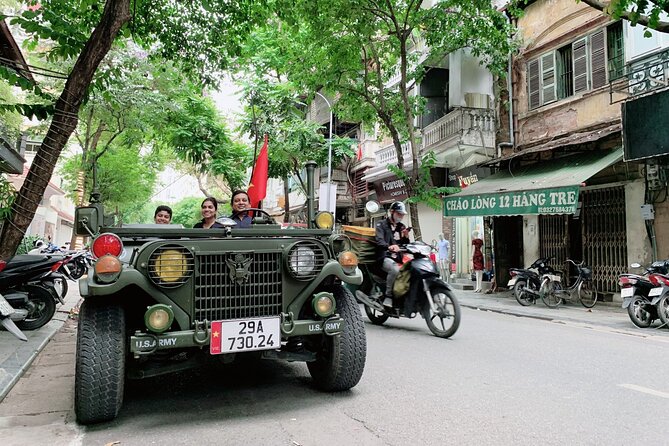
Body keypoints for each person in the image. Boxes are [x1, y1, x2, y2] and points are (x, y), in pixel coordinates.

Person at [375, 201, 410, 306]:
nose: (400, 216)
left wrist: (406, 237)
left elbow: (405, 245)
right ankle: (388, 296)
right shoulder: (381, 225)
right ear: (392, 212)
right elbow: (379, 240)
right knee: (395, 269)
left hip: (398, 257)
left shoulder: (402, 227)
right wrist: (389, 246)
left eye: (402, 215)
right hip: (385, 256)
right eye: (398, 214)